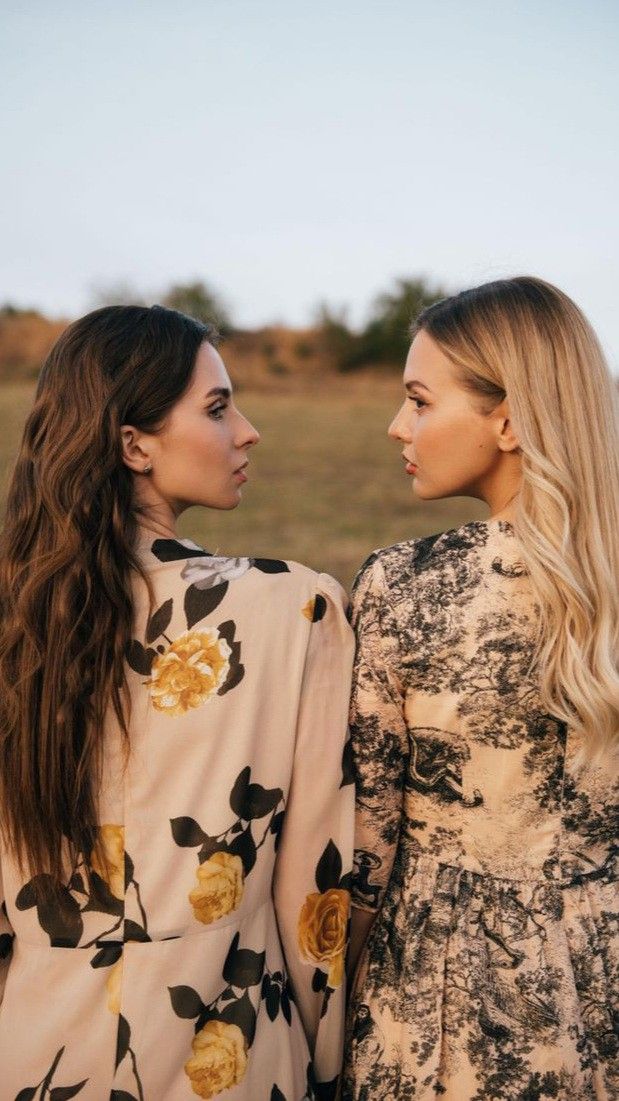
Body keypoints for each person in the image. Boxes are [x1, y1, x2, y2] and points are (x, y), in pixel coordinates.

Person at [0, 305, 354, 1100]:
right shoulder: (294, 609)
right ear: (135, 445)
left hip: (32, 1050)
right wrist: (329, 1063)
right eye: (219, 407)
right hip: (222, 1059)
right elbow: (314, 891)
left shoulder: (16, 621)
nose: (249, 430)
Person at [343, 277, 619, 1100]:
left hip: (444, 993)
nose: (398, 425)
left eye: (419, 400)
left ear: (506, 419)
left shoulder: (403, 587)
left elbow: (366, 846)